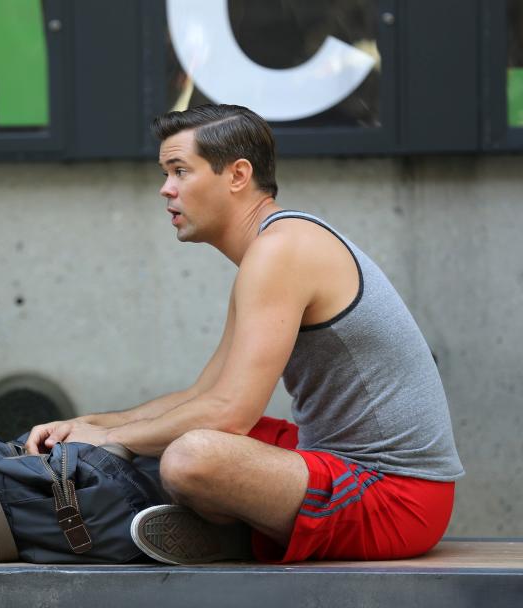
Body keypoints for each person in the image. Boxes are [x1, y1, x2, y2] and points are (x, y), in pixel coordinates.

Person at [26, 104, 464, 564]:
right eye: (165, 172)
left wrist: (114, 442)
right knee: (172, 439)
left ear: (237, 175)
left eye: (180, 171)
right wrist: (96, 426)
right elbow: (204, 394)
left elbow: (228, 413)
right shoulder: (269, 250)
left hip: (398, 499)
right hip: (340, 466)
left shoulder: (283, 250)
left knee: (192, 456)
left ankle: (235, 537)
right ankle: (234, 530)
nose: (165, 189)